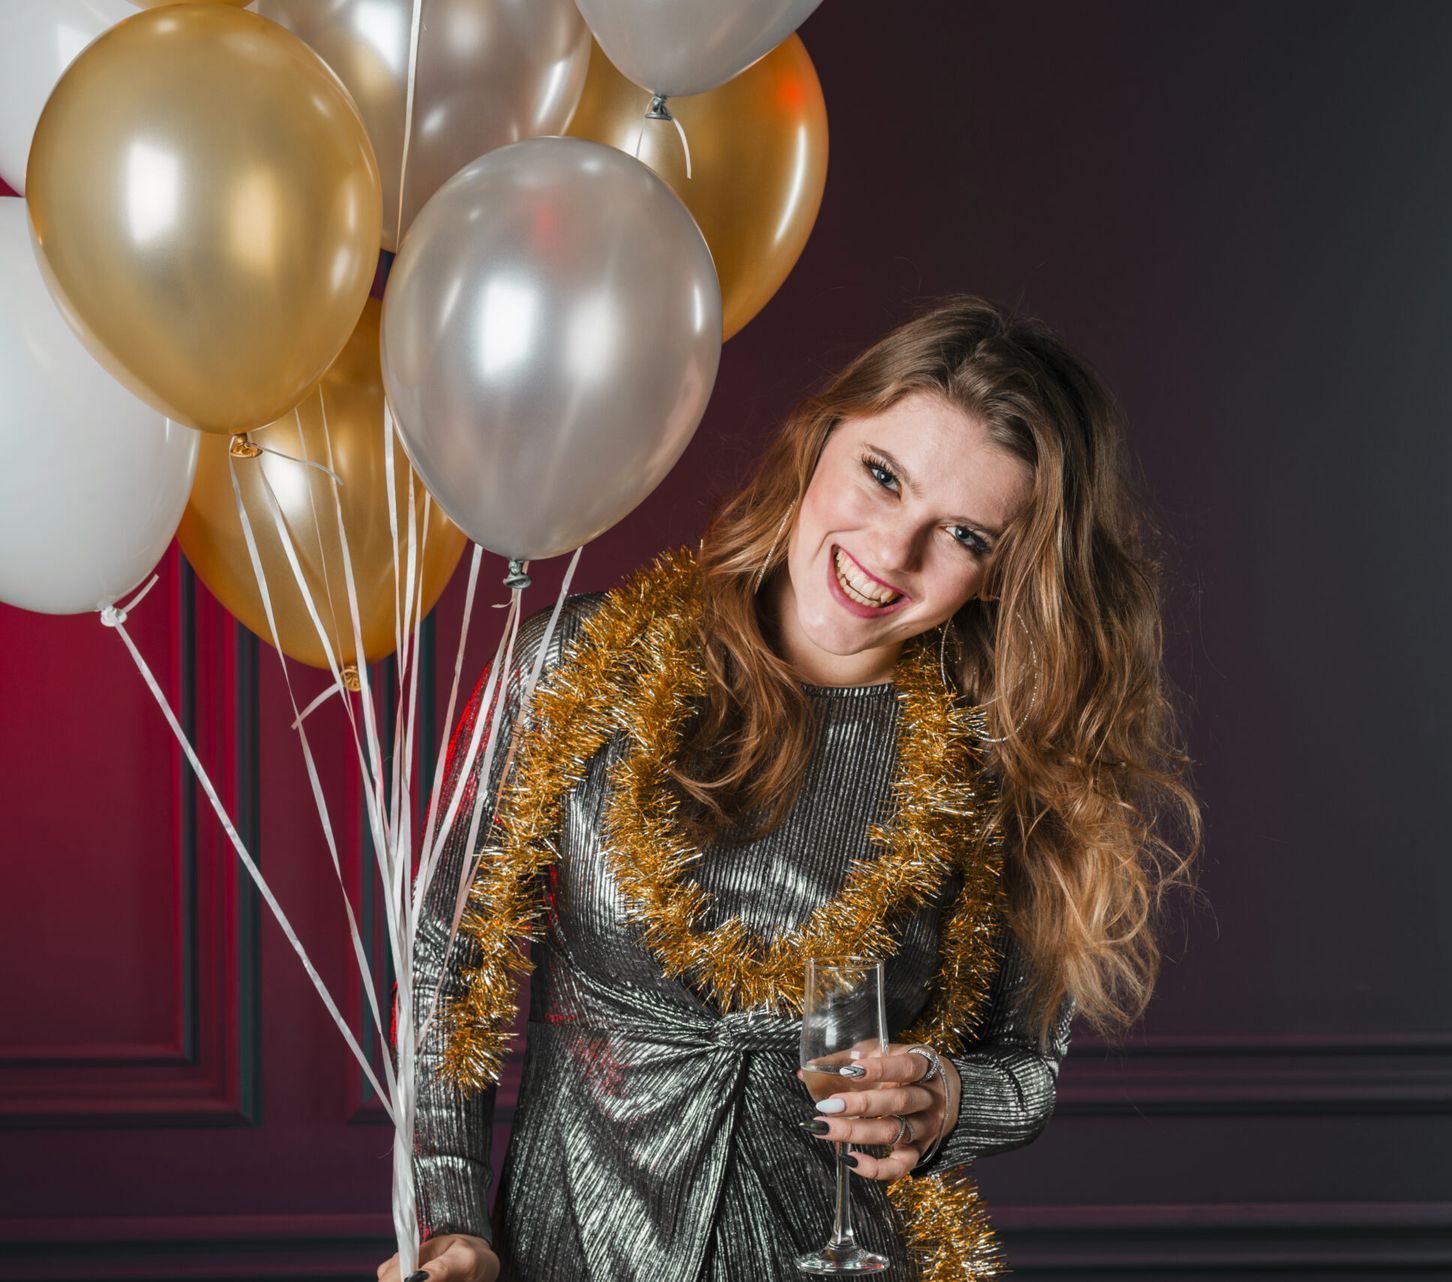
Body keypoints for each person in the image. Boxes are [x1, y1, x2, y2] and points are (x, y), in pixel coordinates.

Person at [375, 295, 1201, 1282]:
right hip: (569, 1251)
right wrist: (452, 1226)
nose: (893, 554)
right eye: (883, 476)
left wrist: (947, 1099)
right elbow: (445, 970)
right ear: (822, 436)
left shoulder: (995, 759)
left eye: (966, 537)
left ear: (1006, 572)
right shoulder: (578, 663)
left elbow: (1025, 1072)